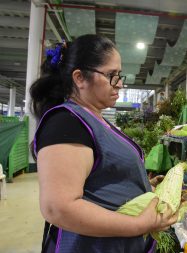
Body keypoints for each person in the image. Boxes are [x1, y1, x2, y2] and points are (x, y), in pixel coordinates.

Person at [30, 34, 177, 253]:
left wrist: (143, 186)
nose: (120, 84)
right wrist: (139, 224)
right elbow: (58, 208)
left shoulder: (94, 118)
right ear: (80, 78)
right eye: (111, 75)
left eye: (119, 75)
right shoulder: (66, 123)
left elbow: (103, 175)